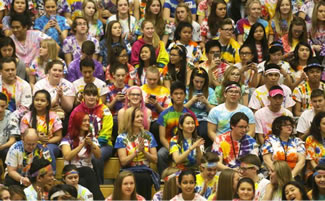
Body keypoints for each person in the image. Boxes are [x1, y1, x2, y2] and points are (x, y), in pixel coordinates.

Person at [69, 83, 113, 185]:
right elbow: (71, 129)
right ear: (83, 95)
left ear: (97, 96)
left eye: (94, 95)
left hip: (103, 144)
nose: (91, 97)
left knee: (95, 157)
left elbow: (106, 132)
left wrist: (93, 145)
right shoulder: (77, 110)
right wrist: (82, 144)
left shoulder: (104, 109)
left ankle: (99, 185)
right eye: (88, 94)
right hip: (80, 143)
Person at [115, 107, 158, 200]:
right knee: (135, 178)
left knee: (144, 177)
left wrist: (144, 152)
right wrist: (136, 152)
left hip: (145, 170)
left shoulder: (148, 135)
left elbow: (155, 159)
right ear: (130, 119)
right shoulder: (121, 137)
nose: (141, 119)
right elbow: (123, 161)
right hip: (128, 170)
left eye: (142, 116)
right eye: (137, 116)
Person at [60, 110, 104, 200]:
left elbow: (98, 156)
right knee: (87, 172)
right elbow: (67, 156)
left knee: (85, 178)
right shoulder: (68, 138)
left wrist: (91, 144)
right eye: (84, 121)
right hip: (72, 171)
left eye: (88, 120)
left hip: (87, 174)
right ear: (77, 122)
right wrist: (82, 145)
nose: (87, 123)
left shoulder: (91, 138)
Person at [157, 81, 197, 175]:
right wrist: (172, 149)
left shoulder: (190, 114)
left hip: (187, 144)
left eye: (181, 93)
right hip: (169, 145)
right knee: (161, 154)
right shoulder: (164, 114)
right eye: (176, 94)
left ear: (185, 95)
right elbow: (162, 137)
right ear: (171, 96)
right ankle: (163, 179)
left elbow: (194, 133)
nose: (178, 96)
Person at [20, 90, 63, 172]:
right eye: (37, 100)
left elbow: (59, 136)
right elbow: (23, 136)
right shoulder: (26, 117)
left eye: (42, 100)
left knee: (47, 149)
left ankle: (52, 174)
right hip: (32, 144)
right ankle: (29, 174)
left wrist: (47, 141)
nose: (39, 103)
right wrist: (37, 139)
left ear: (47, 103)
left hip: (51, 145)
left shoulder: (54, 116)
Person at [185, 67, 216, 146]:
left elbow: (215, 111)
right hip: (188, 117)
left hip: (204, 118)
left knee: (204, 131)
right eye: (197, 81)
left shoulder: (210, 91)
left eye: (202, 82)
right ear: (192, 80)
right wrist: (191, 101)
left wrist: (206, 103)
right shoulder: (186, 90)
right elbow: (180, 109)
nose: (199, 84)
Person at [141, 66, 171, 145]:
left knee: (156, 126)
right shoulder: (141, 90)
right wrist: (144, 104)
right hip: (142, 119)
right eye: (150, 79)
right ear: (146, 77)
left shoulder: (165, 91)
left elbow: (168, 111)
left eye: (154, 79)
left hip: (158, 120)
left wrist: (157, 105)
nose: (152, 82)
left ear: (159, 78)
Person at [106, 64, 130, 138]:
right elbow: (106, 108)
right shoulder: (108, 89)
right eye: (118, 75)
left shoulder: (129, 89)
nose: (121, 78)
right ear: (113, 75)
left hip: (127, 117)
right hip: (113, 117)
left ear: (126, 75)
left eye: (123, 75)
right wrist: (115, 100)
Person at [305, 112, 325, 180]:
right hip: (314, 171)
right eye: (324, 124)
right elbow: (311, 161)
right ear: (318, 126)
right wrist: (321, 173)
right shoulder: (310, 139)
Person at [0, 92, 19, 163]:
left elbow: (12, 140)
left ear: (6, 105)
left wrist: (1, 147)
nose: (0, 109)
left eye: (2, 106)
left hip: (4, 147)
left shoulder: (12, 117)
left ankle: (8, 172)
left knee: (7, 151)